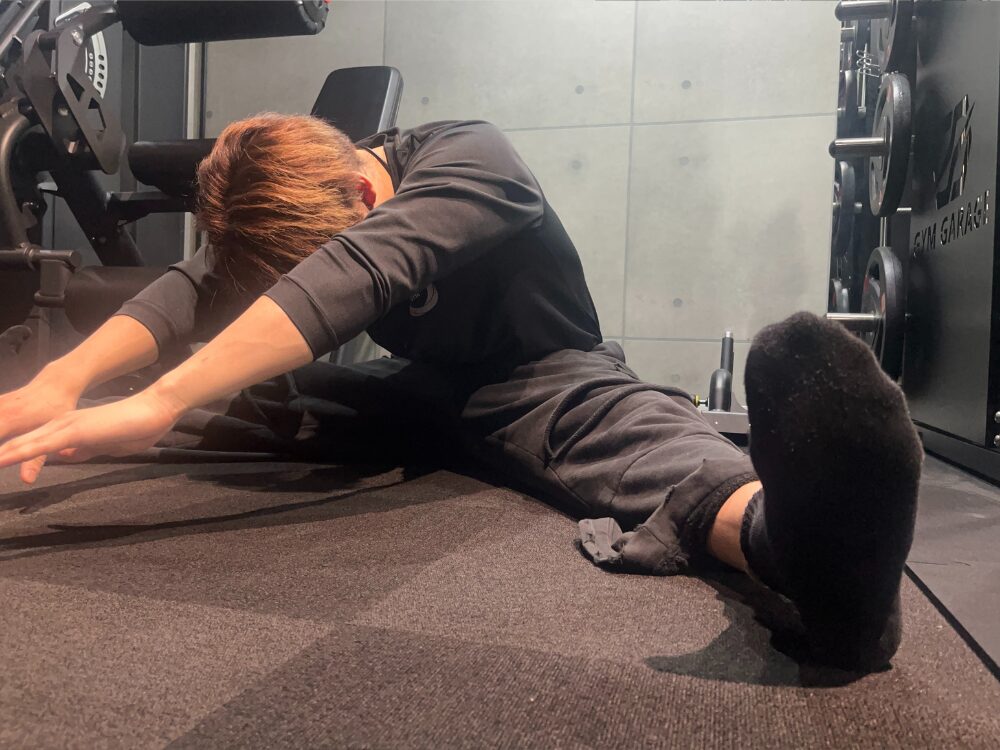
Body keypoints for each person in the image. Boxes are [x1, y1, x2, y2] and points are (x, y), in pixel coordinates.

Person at [0, 114, 922, 672]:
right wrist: (60, 381)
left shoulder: (476, 158)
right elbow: (192, 285)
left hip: (545, 376)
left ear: (366, 194)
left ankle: (810, 554)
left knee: (640, 447)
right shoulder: (318, 190)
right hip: (418, 392)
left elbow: (359, 272)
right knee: (258, 398)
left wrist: (159, 399)